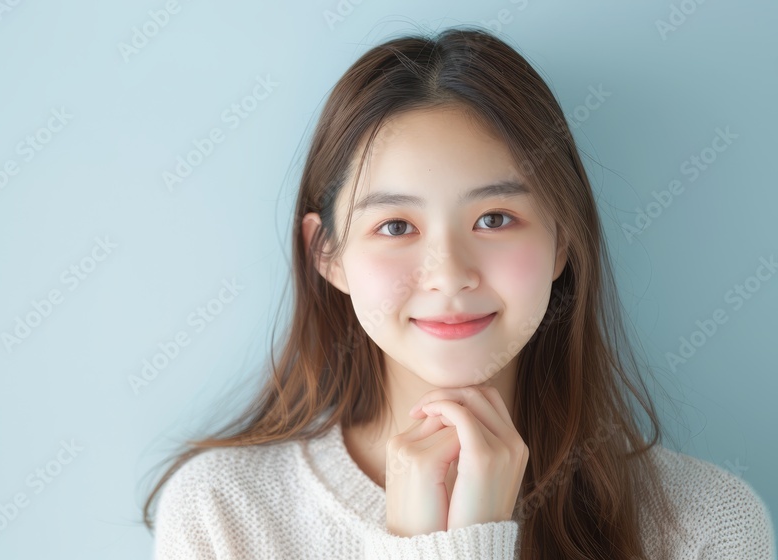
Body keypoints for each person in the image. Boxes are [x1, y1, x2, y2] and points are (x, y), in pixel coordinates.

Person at [141, 26, 776, 559]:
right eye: (395, 226)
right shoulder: (225, 516)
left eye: (495, 219)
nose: (448, 274)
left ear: (562, 241)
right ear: (326, 255)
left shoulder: (702, 526)